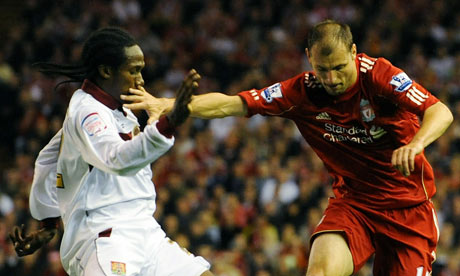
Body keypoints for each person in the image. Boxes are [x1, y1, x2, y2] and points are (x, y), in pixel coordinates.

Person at [122, 20, 453, 276]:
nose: (333, 78)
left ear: (354, 52)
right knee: (320, 270)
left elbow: (440, 111)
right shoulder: (300, 92)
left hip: (406, 209)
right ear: (309, 59)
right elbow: (232, 104)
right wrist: (169, 103)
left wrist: (417, 143)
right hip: (355, 204)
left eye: (340, 67)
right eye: (323, 70)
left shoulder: (379, 76)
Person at [10, 27, 213, 276]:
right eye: (134, 71)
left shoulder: (118, 108)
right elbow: (116, 159)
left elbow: (49, 157)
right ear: (106, 71)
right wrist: (167, 124)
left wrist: (48, 222)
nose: (141, 80)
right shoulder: (88, 112)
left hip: (145, 230)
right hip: (105, 235)